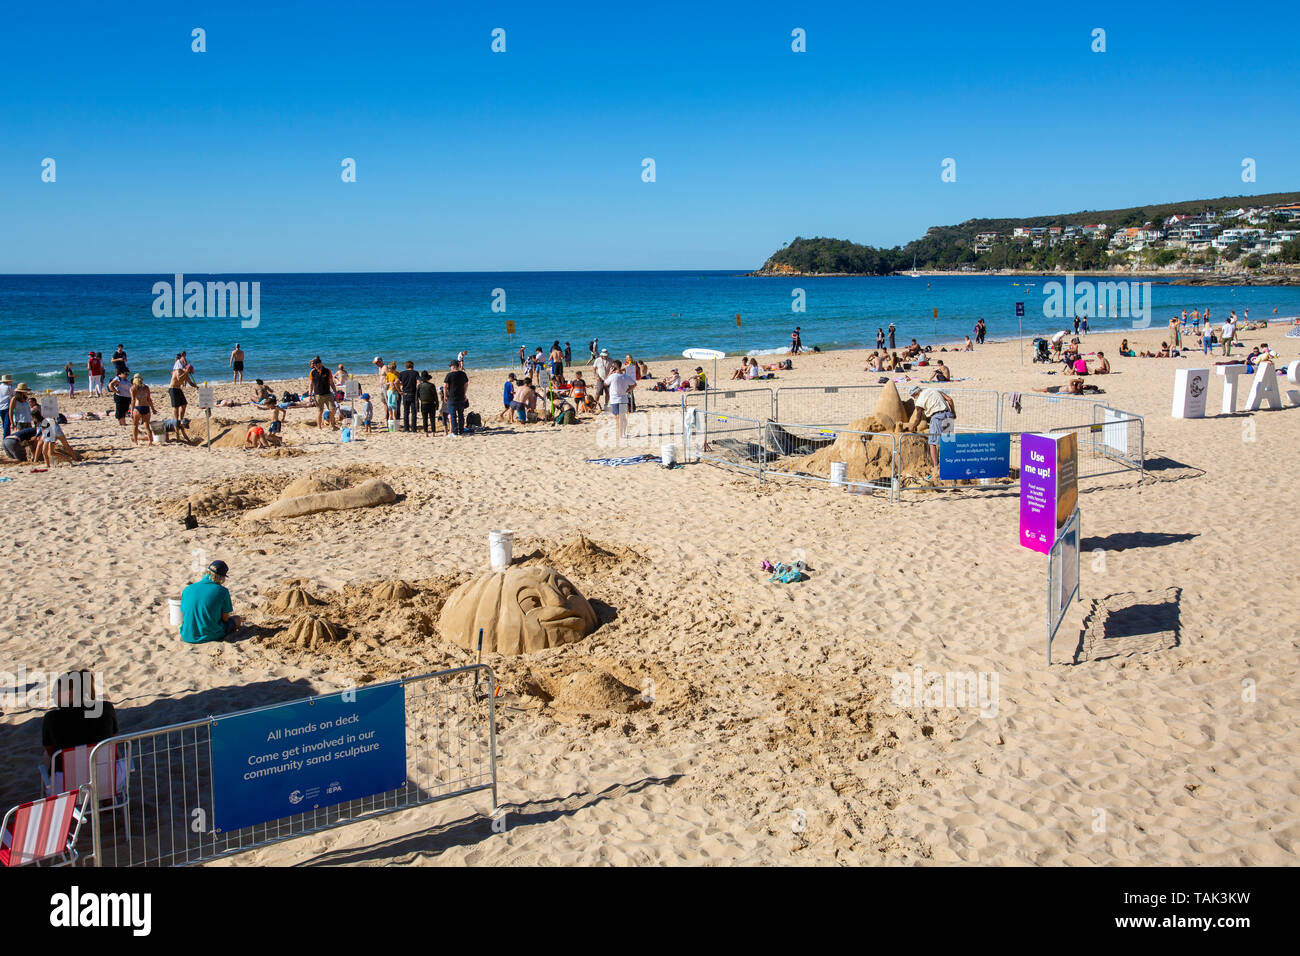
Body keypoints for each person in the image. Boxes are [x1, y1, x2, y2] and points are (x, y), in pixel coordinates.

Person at [41, 671, 118, 773]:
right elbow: (113, 737)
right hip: (108, 778)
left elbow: (50, 751)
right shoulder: (106, 708)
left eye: (55, 692)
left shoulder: (51, 717)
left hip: (66, 785)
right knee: (111, 745)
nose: (53, 697)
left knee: (47, 756)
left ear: (70, 693)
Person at [180, 560, 239, 644]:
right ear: (222, 577)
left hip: (186, 635)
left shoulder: (187, 589)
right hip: (211, 635)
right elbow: (225, 619)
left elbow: (183, 613)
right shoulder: (223, 591)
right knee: (237, 619)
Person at [907, 384, 955, 472]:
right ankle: (949, 463)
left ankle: (936, 466)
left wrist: (913, 427)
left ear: (915, 393)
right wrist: (953, 413)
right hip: (948, 415)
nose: (914, 398)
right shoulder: (934, 390)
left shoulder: (919, 401)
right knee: (948, 441)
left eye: (913, 396)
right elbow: (950, 400)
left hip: (937, 417)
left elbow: (918, 418)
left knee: (933, 442)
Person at [604, 359, 637, 441]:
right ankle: (623, 433)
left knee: (618, 417)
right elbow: (634, 384)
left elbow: (605, 383)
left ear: (614, 367)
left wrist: (609, 373)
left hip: (615, 399)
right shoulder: (625, 376)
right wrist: (628, 390)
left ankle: (620, 434)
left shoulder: (612, 376)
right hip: (623, 399)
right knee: (623, 417)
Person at [310, 357, 338, 429]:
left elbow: (331, 383)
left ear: (320, 364)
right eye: (314, 365)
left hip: (328, 394)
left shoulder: (327, 371)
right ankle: (319, 427)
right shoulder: (313, 372)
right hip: (318, 395)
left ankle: (331, 424)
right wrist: (310, 394)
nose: (315, 366)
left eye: (316, 365)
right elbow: (311, 384)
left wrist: (335, 393)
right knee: (320, 411)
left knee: (333, 410)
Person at [444, 360, 469, 436]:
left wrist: (445, 396)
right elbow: (466, 384)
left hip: (452, 397)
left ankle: (455, 432)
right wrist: (464, 394)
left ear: (453, 366)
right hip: (461, 396)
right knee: (461, 415)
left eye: (451, 366)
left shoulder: (449, 375)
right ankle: (461, 431)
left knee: (453, 415)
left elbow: (445, 386)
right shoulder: (463, 374)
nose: (450, 368)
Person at [129, 374, 156, 445]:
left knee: (135, 425)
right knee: (147, 426)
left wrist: (131, 411)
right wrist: (153, 409)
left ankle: (135, 441)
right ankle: (150, 442)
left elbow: (133, 400)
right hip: (146, 407)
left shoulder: (133, 388)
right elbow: (149, 399)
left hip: (138, 408)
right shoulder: (146, 387)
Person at [398, 360, 420, 431]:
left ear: (406, 366)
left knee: (406, 412)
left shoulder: (402, 373)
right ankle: (413, 429)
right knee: (414, 412)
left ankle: (406, 428)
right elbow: (418, 382)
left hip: (405, 394)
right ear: (412, 366)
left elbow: (395, 382)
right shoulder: (415, 373)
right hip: (413, 394)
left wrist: (399, 390)